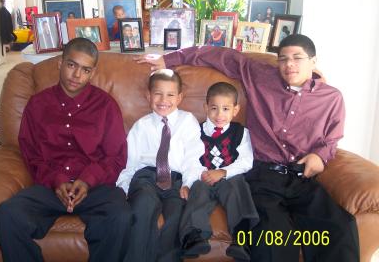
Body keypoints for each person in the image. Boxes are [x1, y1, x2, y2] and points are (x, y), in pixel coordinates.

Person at [136, 34, 359, 262]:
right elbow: (219, 55)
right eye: (283, 59)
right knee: (274, 237)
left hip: (302, 177)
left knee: (339, 228)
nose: (289, 64)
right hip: (263, 175)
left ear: (313, 61)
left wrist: (320, 157)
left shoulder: (331, 98)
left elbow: (331, 140)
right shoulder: (260, 75)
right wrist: (170, 60)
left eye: (297, 58)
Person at [0, 38, 132, 262]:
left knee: (121, 217)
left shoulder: (106, 106)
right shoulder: (37, 104)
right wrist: (55, 179)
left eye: (85, 70)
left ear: (93, 73)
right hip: (50, 186)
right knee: (7, 215)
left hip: (95, 187)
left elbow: (116, 156)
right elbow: (31, 153)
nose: (77, 75)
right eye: (71, 65)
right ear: (60, 63)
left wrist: (88, 180)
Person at [116, 69, 205, 262]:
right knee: (142, 208)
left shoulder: (188, 121)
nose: (164, 99)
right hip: (146, 177)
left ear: (180, 97)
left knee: (175, 217)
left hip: (176, 180)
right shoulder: (141, 126)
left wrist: (188, 183)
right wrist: (124, 188)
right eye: (158, 93)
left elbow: (193, 158)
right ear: (148, 95)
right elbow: (130, 162)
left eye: (170, 94)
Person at [179, 82, 259, 260]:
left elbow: (246, 161)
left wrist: (223, 172)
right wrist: (190, 181)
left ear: (235, 110)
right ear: (206, 107)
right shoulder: (195, 131)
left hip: (229, 177)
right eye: (214, 108)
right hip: (204, 177)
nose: (219, 115)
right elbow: (190, 159)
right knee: (197, 191)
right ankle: (194, 237)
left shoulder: (240, 133)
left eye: (225, 109)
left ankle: (242, 239)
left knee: (238, 186)